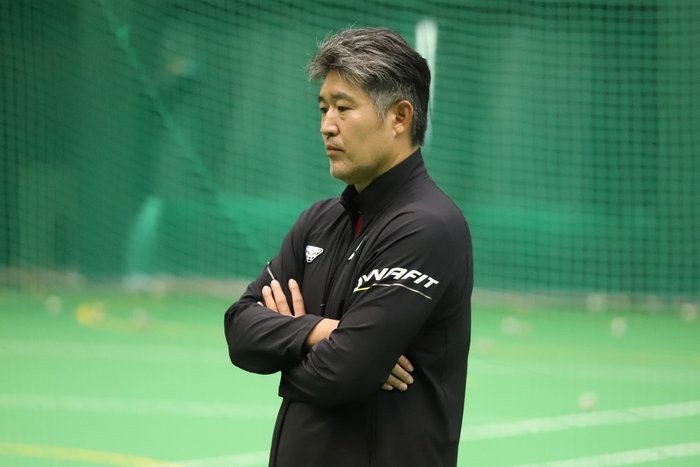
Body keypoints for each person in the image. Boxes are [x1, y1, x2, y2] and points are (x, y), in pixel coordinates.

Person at [224, 27, 472, 466]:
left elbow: (344, 372)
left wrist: (290, 348)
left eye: (343, 108)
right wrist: (322, 332)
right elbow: (240, 330)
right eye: (323, 108)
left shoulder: (427, 227)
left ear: (400, 117)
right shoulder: (318, 221)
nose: (327, 125)